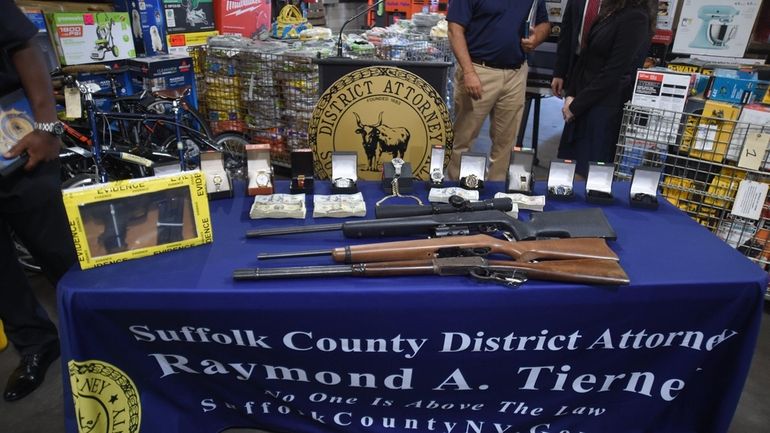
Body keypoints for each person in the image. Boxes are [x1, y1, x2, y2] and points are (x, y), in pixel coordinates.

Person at [1, 0, 77, 402]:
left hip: (14, 141)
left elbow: (25, 46)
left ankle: (108, 328)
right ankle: (35, 345)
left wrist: (48, 125)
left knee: (58, 249)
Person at [446, 0, 551, 182]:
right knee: (464, 137)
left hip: (516, 73)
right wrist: (469, 72)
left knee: (506, 142)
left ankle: (497, 193)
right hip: (479, 70)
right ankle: (457, 190)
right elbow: (455, 30)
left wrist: (537, 38)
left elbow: (544, 23)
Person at [556, 0, 657, 177]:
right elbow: (584, 58)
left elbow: (613, 72)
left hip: (603, 111)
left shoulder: (636, 18)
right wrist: (571, 95)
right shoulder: (610, 11)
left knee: (586, 176)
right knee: (565, 171)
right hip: (582, 104)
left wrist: (576, 106)